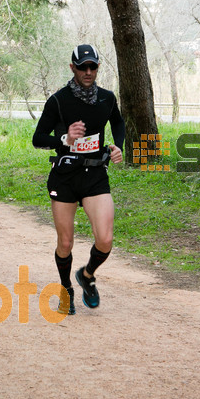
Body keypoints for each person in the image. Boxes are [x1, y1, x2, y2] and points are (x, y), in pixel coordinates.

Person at [32, 44, 125, 315]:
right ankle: (66, 290)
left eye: (92, 66)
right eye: (82, 66)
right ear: (72, 67)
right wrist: (65, 139)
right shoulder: (59, 100)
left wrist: (117, 145)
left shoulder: (107, 99)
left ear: (97, 67)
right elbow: (38, 139)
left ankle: (86, 275)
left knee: (105, 239)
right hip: (65, 177)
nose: (88, 71)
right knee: (65, 243)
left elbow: (117, 123)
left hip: (95, 175)